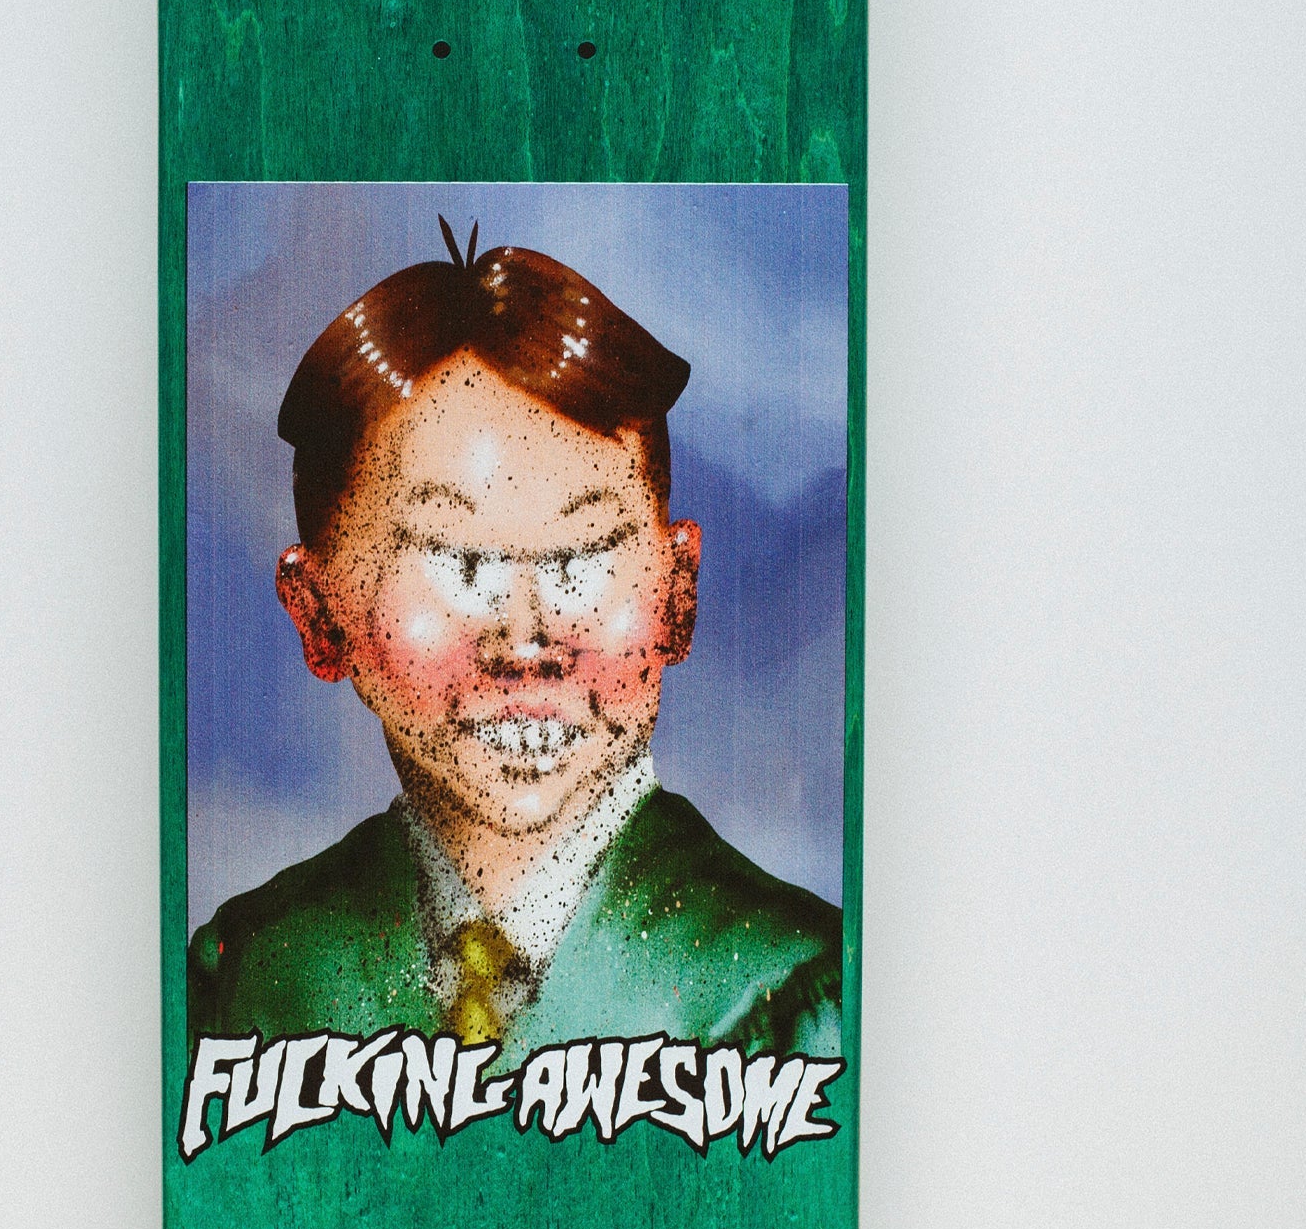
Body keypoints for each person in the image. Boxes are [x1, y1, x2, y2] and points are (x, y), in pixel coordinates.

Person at [187, 228, 840, 1071]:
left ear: (678, 592)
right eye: (458, 564)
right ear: (318, 611)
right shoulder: (249, 978)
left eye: (583, 560)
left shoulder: (794, 996)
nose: (528, 638)